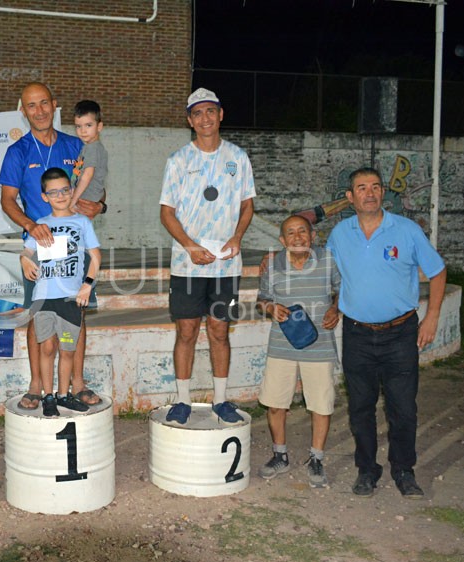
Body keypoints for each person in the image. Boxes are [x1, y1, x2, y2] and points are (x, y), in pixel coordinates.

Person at [327, 166, 446, 499]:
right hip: (357, 335)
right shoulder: (340, 235)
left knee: (403, 407)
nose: (370, 193)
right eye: (362, 188)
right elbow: (333, 275)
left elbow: (437, 272)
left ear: (383, 193)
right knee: (361, 407)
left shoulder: (406, 231)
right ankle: (367, 470)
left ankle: (404, 470)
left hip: (400, 334)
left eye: (376, 187)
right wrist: (335, 304)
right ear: (350, 198)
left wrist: (432, 316)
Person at [0, 82, 104, 410]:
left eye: (44, 103)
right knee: (39, 314)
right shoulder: (17, 151)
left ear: (54, 105)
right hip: (40, 246)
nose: (39, 111)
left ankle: (78, 383)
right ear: (23, 110)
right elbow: (7, 201)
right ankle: (36, 385)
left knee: (77, 312)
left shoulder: (77, 144)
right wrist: (31, 225)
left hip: (75, 246)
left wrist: (99, 205)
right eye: (32, 106)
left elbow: (98, 189)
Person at [159, 87, 256, 424]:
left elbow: (247, 204)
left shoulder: (238, 158)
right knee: (186, 332)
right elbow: (167, 213)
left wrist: (237, 236)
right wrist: (189, 245)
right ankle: (183, 401)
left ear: (221, 114)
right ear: (189, 120)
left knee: (219, 331)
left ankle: (220, 400)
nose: (205, 118)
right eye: (197, 113)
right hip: (187, 264)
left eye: (210, 111)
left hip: (225, 264)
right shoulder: (178, 161)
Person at [255, 215, 340, 488]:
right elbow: (262, 299)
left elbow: (342, 290)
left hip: (321, 343)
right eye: (290, 233)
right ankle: (280, 455)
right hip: (282, 344)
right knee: (276, 402)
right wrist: (271, 308)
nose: (297, 237)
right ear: (282, 240)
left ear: (312, 235)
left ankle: (316, 458)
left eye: (302, 231)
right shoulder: (273, 264)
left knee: (321, 403)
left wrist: (335, 308)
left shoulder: (328, 260)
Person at [20, 167, 102, 416]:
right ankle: (47, 396)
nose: (60, 196)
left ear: (71, 191)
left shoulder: (82, 222)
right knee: (47, 348)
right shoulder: (41, 224)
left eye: (65, 190)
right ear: (45, 196)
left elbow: (95, 256)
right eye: (53, 192)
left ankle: (64, 395)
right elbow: (27, 251)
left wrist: (87, 284)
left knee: (67, 348)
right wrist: (25, 260)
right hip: (45, 299)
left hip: (71, 299)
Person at [69, 100, 108, 212]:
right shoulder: (88, 147)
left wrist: (73, 200)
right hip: (83, 197)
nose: (83, 131)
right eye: (78, 126)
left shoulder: (93, 148)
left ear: (99, 126)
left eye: (88, 125)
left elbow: (87, 175)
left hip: (85, 200)